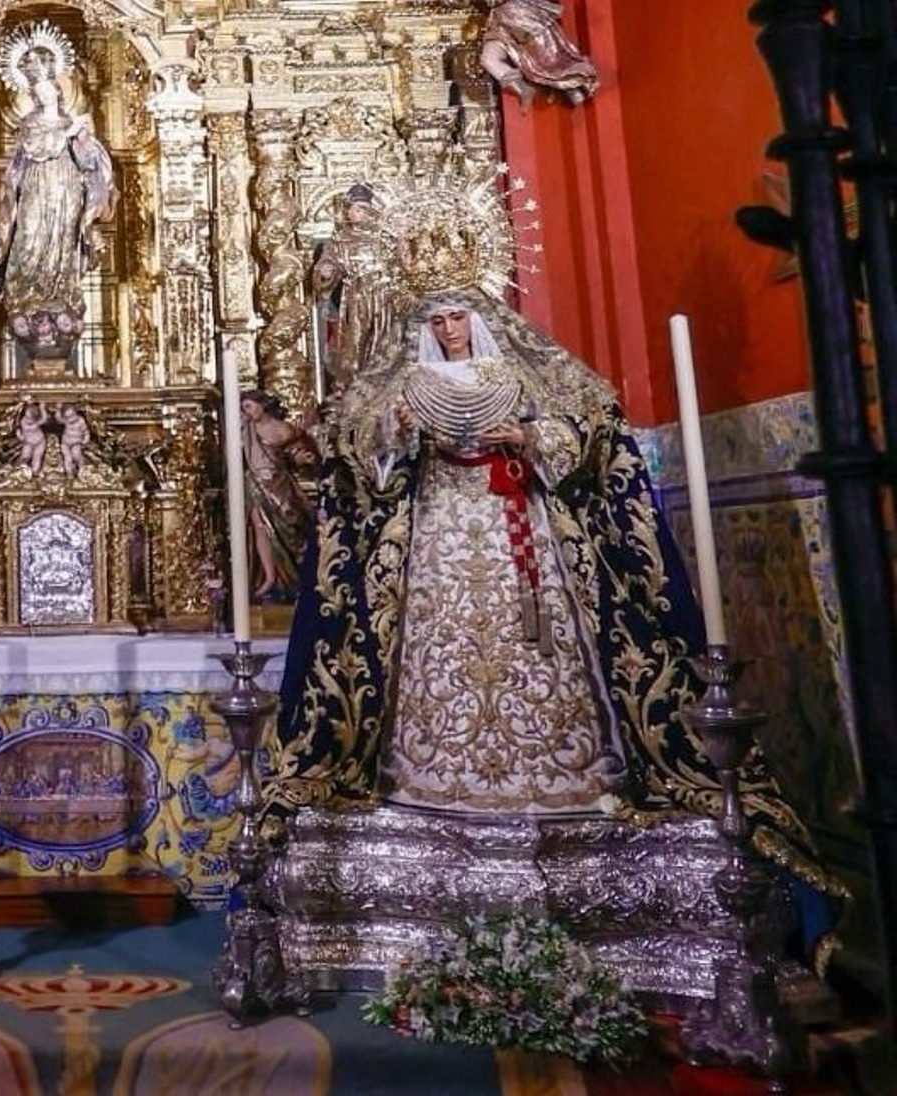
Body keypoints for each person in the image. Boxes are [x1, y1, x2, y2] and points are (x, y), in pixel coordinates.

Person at [271, 291, 837, 898]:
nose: (450, 330)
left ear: (480, 320)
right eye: (437, 321)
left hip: (521, 525)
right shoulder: (406, 382)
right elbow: (360, 458)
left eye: (459, 317)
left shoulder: (520, 370)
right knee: (441, 647)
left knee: (541, 645)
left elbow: (583, 434)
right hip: (438, 536)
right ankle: (431, 778)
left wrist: (528, 437)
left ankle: (565, 775)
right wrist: (395, 430)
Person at [0, 22, 115, 366]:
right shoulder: (29, 124)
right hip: (35, 189)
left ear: (58, 91)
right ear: (33, 94)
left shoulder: (76, 122)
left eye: (50, 89)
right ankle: (29, 296)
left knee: (61, 242)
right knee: (29, 238)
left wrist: (83, 139)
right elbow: (35, 149)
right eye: (40, 91)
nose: (46, 95)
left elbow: (92, 163)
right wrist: (68, 133)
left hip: (64, 193)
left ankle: (59, 295)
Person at [312, 184, 395, 393]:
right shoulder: (339, 240)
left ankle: (384, 377)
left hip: (384, 297)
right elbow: (329, 263)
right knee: (355, 341)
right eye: (350, 208)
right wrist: (326, 271)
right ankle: (354, 382)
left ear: (369, 212)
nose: (353, 213)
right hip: (356, 298)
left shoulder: (383, 237)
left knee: (386, 339)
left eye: (358, 209)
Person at [238, 390, 319, 601]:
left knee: (292, 524)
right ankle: (270, 577)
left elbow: (300, 449)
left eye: (249, 406)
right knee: (260, 527)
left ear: (261, 405)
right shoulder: (245, 429)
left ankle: (298, 576)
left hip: (280, 484)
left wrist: (303, 457)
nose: (245, 411)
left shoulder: (284, 429)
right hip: (256, 484)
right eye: (243, 407)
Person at [480, 0, 600, 109]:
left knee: (548, 60)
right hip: (500, 23)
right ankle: (523, 90)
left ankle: (572, 85)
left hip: (521, 16)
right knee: (489, 59)